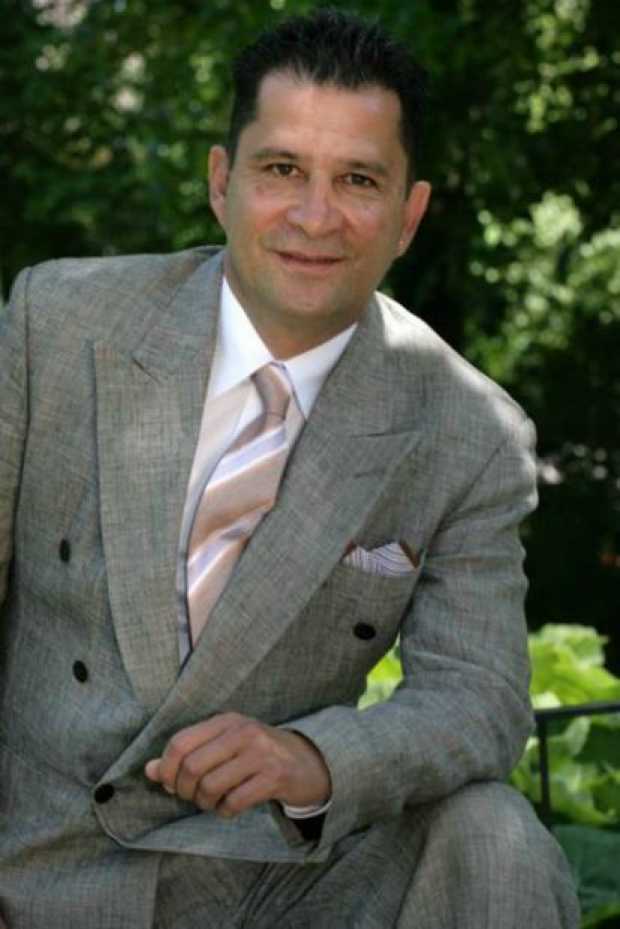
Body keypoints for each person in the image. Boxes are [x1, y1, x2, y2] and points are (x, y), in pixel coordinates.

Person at [0, 9, 579, 929]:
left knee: (494, 833)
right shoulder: (58, 324)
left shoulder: (468, 432)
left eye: (358, 179)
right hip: (39, 862)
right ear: (220, 182)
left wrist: (316, 759)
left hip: (275, 879)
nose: (315, 216)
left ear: (408, 215)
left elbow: (478, 697)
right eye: (281, 170)